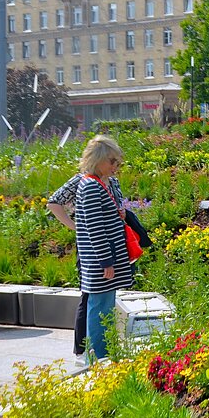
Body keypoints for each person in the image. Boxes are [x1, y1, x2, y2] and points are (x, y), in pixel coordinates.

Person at [48, 164, 127, 362]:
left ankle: (95, 350)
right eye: (113, 161)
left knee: (97, 297)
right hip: (92, 246)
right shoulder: (84, 181)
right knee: (90, 296)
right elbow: (54, 202)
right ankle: (83, 350)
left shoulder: (112, 181)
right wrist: (76, 227)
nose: (117, 166)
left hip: (109, 245)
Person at [74, 135, 134, 362]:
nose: (115, 166)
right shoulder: (90, 186)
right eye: (112, 161)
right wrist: (106, 262)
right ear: (98, 159)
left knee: (105, 308)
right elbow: (94, 228)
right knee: (99, 309)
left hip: (105, 261)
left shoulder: (98, 183)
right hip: (101, 263)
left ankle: (103, 355)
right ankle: (98, 358)